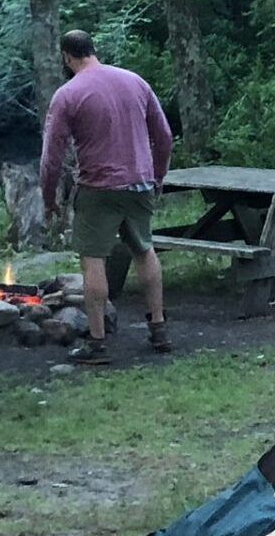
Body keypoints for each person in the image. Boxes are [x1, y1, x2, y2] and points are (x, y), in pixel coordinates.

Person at [40, 30, 174, 364]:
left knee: (92, 260)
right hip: (140, 184)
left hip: (99, 190)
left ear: (67, 57)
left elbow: (51, 156)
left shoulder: (68, 94)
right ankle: (159, 330)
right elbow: (165, 136)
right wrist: (157, 176)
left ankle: (97, 344)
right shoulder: (135, 81)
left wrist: (48, 198)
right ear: (93, 50)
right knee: (145, 250)